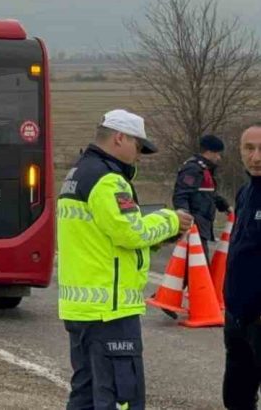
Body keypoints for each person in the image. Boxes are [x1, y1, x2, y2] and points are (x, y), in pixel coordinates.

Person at [57, 109, 191, 410]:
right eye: (138, 147)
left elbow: (108, 241)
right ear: (120, 138)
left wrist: (157, 239)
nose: (139, 156)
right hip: (111, 311)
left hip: (82, 309)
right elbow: (130, 232)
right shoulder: (107, 180)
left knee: (86, 396)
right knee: (121, 396)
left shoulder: (77, 175)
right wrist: (170, 221)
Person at [222, 121, 261, 408]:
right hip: (237, 317)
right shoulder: (245, 193)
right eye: (249, 148)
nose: (256, 157)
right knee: (236, 397)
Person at [173, 134, 231, 260]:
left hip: (203, 225)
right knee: (198, 264)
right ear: (209, 152)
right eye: (217, 154)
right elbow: (181, 194)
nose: (218, 158)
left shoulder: (205, 170)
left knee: (199, 263)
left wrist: (225, 207)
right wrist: (184, 216)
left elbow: (210, 194)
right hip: (195, 225)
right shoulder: (192, 169)